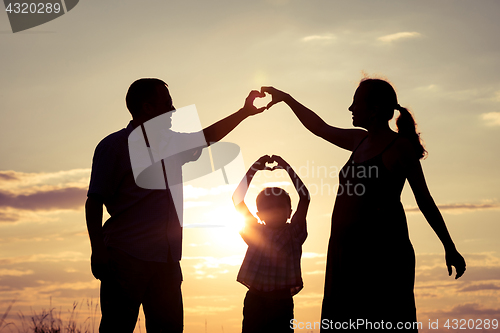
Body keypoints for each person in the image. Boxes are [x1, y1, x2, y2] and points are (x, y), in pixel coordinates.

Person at [262, 79, 466, 332]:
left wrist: (449, 246)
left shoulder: (399, 147)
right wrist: (286, 98)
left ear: (374, 109)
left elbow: (424, 199)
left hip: (382, 254)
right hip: (345, 252)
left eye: (356, 103)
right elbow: (319, 127)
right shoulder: (359, 140)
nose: (350, 108)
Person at [85, 78, 266, 333]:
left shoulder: (171, 145)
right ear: (148, 108)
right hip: (125, 258)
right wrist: (98, 251)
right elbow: (94, 202)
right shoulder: (113, 147)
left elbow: (208, 137)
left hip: (167, 261)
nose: (172, 111)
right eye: (167, 104)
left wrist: (244, 112)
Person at [232, 155, 310, 333]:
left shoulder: (294, 233)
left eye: (278, 206)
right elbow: (237, 199)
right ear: (259, 214)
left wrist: (287, 167)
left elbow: (304, 197)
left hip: (281, 302)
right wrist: (254, 169)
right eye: (267, 207)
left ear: (289, 212)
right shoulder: (255, 233)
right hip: (255, 299)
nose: (273, 211)